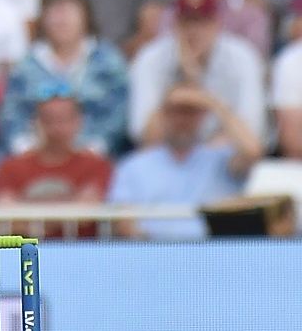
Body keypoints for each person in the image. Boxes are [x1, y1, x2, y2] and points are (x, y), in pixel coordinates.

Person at [109, 82, 262, 240]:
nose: (182, 120)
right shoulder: (133, 166)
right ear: (162, 115)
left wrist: (214, 104)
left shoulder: (221, 160)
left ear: (203, 116)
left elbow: (252, 151)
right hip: (152, 253)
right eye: (175, 112)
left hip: (213, 254)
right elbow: (123, 223)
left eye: (190, 112)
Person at [0, 0, 130, 157]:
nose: (61, 20)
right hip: (37, 155)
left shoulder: (108, 62)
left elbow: (118, 112)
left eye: (70, 12)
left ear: (86, 18)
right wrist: (24, 148)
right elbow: (11, 112)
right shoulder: (26, 65)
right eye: (54, 13)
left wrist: (95, 148)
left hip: (95, 157)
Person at [128, 0, 266, 147]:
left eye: (202, 22)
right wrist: (184, 84)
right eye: (187, 22)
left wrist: (207, 99)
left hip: (223, 159)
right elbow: (144, 136)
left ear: (217, 24)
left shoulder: (242, 58)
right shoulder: (151, 58)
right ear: (175, 25)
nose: (194, 31)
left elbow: (252, 134)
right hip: (165, 157)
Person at [0, 93, 114, 239]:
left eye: (63, 119)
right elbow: (6, 217)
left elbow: (86, 212)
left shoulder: (96, 165)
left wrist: (29, 215)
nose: (56, 127)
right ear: (34, 122)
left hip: (81, 254)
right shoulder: (10, 167)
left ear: (79, 122)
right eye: (48, 119)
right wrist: (67, 211)